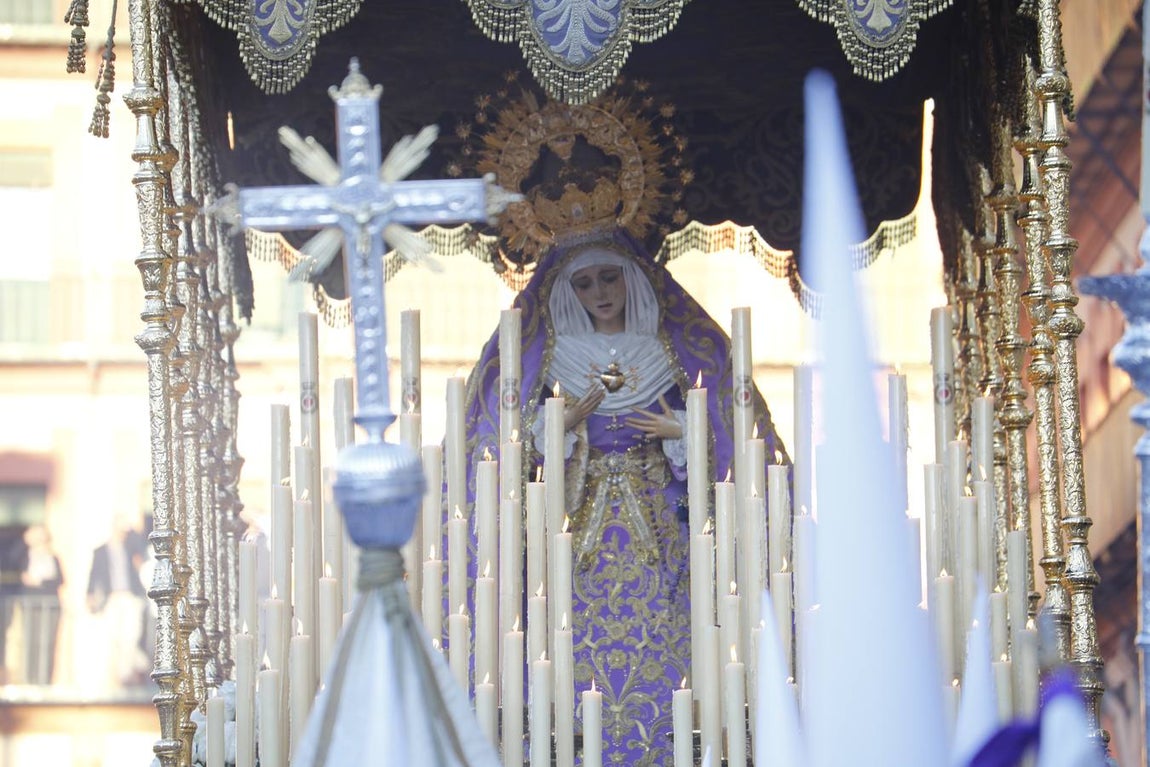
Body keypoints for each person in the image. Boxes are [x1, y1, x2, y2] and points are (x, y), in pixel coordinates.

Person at [464, 229, 788, 766]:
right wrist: (556, 428)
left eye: (609, 277)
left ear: (632, 278)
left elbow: (733, 437)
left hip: (662, 530)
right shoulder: (551, 359)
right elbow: (503, 453)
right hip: (574, 535)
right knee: (565, 634)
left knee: (676, 633)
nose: (600, 293)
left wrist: (681, 430)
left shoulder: (675, 352)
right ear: (568, 292)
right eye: (584, 282)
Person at [87, 513, 149, 687]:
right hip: (112, 598)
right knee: (115, 637)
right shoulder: (101, 551)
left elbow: (142, 554)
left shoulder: (131, 548)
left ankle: (126, 675)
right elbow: (94, 575)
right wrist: (90, 595)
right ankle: (137, 666)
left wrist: (132, 532)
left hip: (131, 596)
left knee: (131, 635)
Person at [19, 525, 63, 684]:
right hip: (30, 605)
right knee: (31, 641)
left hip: (50, 606)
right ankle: (30, 679)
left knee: (47, 642)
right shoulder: (25, 557)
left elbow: (60, 580)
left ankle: (45, 680)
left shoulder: (52, 557)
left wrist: (39, 581)